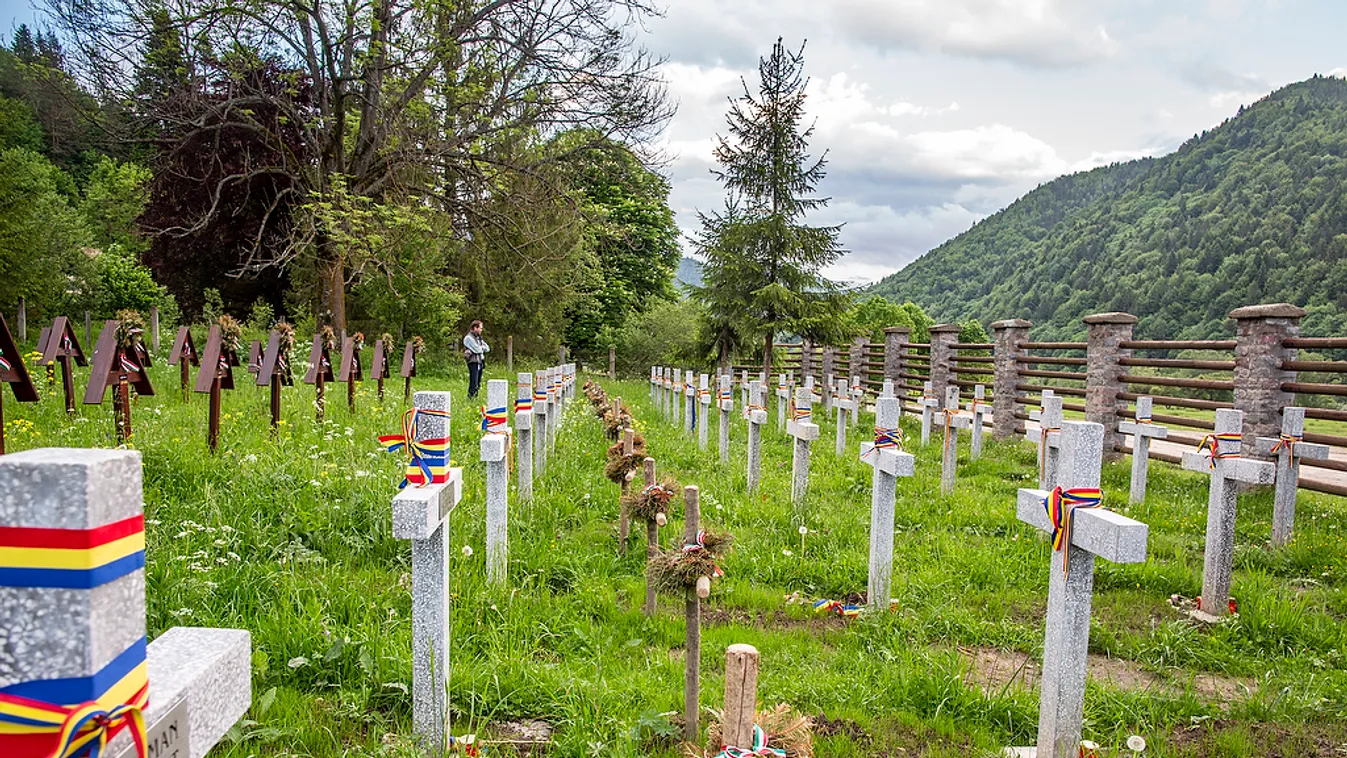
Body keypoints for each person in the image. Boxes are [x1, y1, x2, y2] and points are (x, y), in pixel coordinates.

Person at [463, 320, 490, 398]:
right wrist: (481, 348)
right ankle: (470, 397)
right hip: (473, 362)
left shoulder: (479, 338)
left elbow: (487, 348)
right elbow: (477, 349)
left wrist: (480, 348)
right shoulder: (468, 338)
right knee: (473, 382)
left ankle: (475, 397)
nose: (481, 330)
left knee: (478, 382)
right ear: (475, 328)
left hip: (480, 361)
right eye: (480, 328)